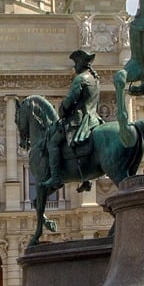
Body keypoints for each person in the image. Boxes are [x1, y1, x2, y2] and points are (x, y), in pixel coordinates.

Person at [43, 49, 101, 191]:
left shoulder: (80, 78)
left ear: (80, 64)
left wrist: (62, 108)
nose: (74, 67)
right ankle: (86, 178)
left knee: (53, 143)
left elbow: (71, 100)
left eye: (75, 64)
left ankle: (56, 177)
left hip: (80, 119)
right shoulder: (95, 79)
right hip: (95, 118)